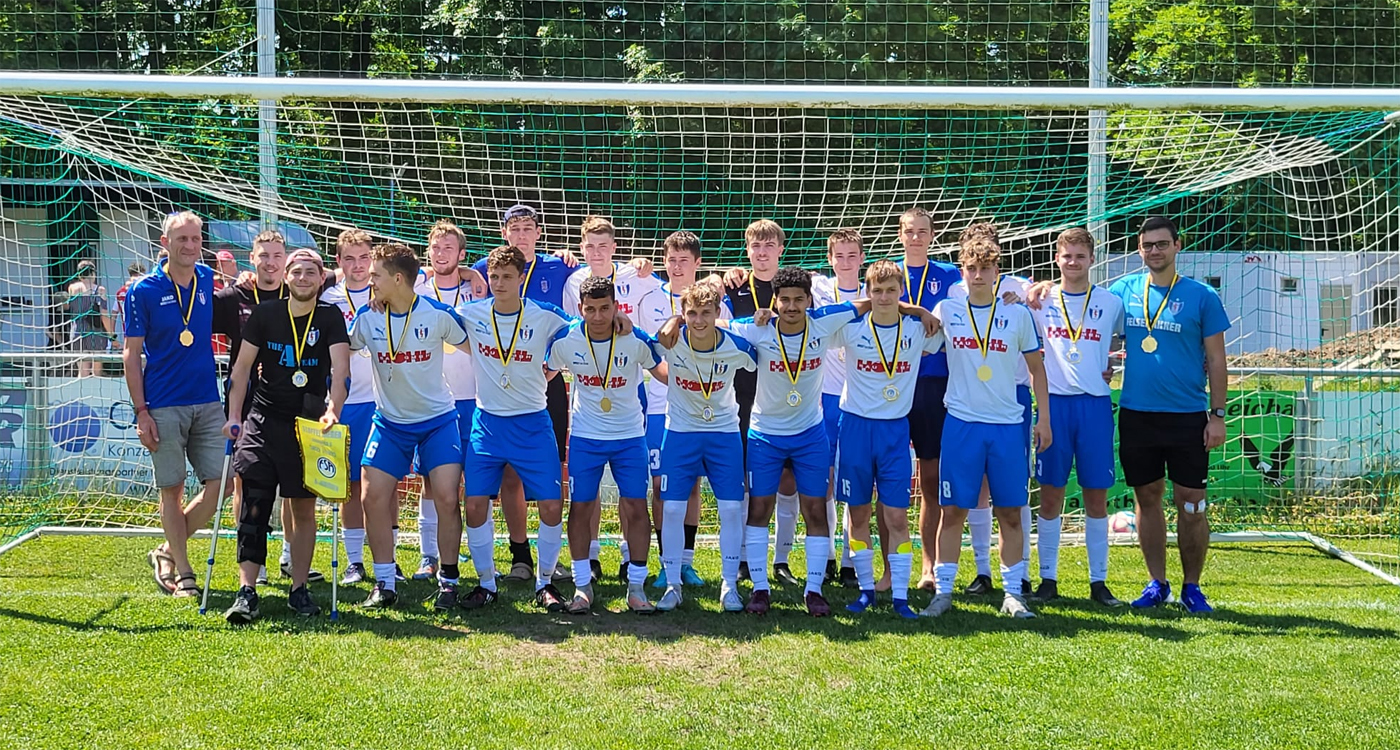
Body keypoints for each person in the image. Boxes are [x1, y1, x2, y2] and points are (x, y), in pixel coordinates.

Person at [924, 238, 1051, 620]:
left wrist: (1044, 418)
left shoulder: (1017, 314)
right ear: (962, 272)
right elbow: (918, 339)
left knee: (1010, 512)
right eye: (971, 268)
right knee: (953, 511)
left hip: (1007, 425)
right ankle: (943, 593)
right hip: (961, 423)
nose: (978, 275)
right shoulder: (947, 309)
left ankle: (1013, 594)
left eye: (985, 268)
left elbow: (1037, 369)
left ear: (997, 272)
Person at [221, 249, 350, 623]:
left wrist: (333, 409)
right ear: (286, 277)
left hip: (307, 425)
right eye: (297, 272)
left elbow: (341, 371)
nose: (303, 278)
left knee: (303, 509)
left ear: (321, 278)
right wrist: (234, 416)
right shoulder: (266, 314)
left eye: (311, 272)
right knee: (254, 504)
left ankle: (299, 589)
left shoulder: (329, 317)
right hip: (263, 421)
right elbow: (241, 369)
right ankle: (247, 592)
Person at [1110, 216, 1229, 612]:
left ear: (1178, 246)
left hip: (1187, 415)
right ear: (1139, 249)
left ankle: (1192, 587)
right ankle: (1157, 584)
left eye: (1162, 243)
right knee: (1147, 498)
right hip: (1137, 414)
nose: (1155, 251)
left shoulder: (1202, 296)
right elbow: (1086, 312)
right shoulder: (1123, 291)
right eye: (1148, 245)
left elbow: (1217, 359)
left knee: (1191, 503)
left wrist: (1217, 415)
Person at [727, 267, 862, 616]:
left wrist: (916, 310)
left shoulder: (822, 322)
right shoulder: (757, 327)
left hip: (809, 435)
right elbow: (712, 325)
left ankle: (813, 590)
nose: (791, 306)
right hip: (765, 435)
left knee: (815, 509)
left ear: (809, 300)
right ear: (774, 301)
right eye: (784, 299)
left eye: (798, 300)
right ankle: (760, 589)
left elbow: (869, 303)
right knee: (759, 509)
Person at [456, 245, 580, 612]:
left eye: (507, 277)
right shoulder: (472, 313)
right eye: (493, 277)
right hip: (488, 424)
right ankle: (486, 584)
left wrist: (553, 364)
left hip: (532, 423)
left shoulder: (543, 315)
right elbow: (431, 311)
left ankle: (545, 582)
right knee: (474, 504)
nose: (499, 283)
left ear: (521, 278)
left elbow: (581, 327)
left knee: (551, 504)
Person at [347, 242, 469, 609]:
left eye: (376, 276)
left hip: (437, 421)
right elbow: (341, 352)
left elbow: (477, 347)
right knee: (371, 497)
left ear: (398, 279)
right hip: (390, 423)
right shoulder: (367, 317)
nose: (370, 281)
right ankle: (384, 582)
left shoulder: (437, 314)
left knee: (446, 497)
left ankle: (448, 582)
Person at [828, 260, 945, 618]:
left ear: (901, 292)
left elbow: (948, 336)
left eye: (891, 290)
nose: (883, 297)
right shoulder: (851, 327)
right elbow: (818, 323)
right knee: (858, 513)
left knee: (896, 517)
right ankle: (866, 590)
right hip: (855, 428)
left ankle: (900, 596)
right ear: (867, 292)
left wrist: (920, 312)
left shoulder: (919, 328)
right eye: (876, 291)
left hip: (895, 431)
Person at [123, 211, 230, 598]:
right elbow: (131, 355)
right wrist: (142, 412)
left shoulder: (206, 278)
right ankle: (184, 571)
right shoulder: (143, 289)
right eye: (181, 239)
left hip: (208, 400)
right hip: (163, 404)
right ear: (164, 243)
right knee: (173, 489)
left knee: (225, 482)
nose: (189, 245)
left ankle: (167, 549)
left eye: (195, 238)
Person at [546, 275, 667, 613]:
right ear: (580, 309)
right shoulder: (567, 339)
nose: (598, 316)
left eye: (604, 308)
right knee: (581, 507)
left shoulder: (633, 337)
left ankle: (636, 588)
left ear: (616, 306)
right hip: (586, 437)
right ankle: (582, 586)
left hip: (629, 437)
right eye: (590, 309)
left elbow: (663, 370)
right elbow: (544, 373)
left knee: (636, 507)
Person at [212, 231, 324, 586]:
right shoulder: (235, 296)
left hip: (293, 403)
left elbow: (338, 273)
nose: (270, 263)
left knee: (294, 485)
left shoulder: (299, 289)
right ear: (252, 259)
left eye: (277, 256)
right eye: (263, 256)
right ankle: (253, 564)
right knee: (246, 484)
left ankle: (290, 556)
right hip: (246, 401)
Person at [1027, 227, 1125, 607]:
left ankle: (1099, 582)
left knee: (1096, 497)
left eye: (1080, 256)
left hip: (1095, 406)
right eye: (1066, 256)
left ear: (1092, 259)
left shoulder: (1111, 302)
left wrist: (1110, 366)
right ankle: (1047, 579)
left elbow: (1124, 340)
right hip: (1054, 406)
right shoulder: (1040, 300)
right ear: (1056, 258)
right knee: (1051, 494)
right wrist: (1033, 288)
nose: (1073, 262)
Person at [562, 216, 661, 580]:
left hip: (630, 401)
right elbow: (564, 331)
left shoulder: (636, 275)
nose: (596, 252)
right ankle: (587, 567)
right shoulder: (573, 283)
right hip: (587, 413)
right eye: (590, 246)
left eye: (603, 245)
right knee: (584, 500)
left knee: (633, 498)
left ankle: (631, 566)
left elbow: (672, 290)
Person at [652, 282, 757, 611]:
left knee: (731, 509)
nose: (699, 320)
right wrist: (670, 321)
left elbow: (762, 354)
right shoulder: (671, 340)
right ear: (683, 314)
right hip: (680, 432)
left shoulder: (737, 346)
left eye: (706, 313)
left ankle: (729, 586)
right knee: (671, 509)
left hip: (723, 434)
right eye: (692, 313)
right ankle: (673, 585)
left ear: (717, 313)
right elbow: (646, 346)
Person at [945, 222, 1035, 598]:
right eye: (972, 262)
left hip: (1010, 401)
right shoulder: (951, 298)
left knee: (1012, 497)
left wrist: (1036, 293)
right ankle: (976, 573)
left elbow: (1037, 357)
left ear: (998, 262)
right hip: (966, 408)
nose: (978, 272)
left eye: (987, 260)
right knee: (968, 496)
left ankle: (1019, 578)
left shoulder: (1020, 293)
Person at [635, 231, 715, 589]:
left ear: (698, 263)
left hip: (698, 407)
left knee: (692, 484)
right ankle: (667, 561)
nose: (677, 267)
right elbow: (646, 351)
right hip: (657, 406)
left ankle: (686, 562)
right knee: (660, 486)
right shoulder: (649, 298)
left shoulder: (714, 300)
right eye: (671, 260)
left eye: (684, 260)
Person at [895, 207, 964, 593]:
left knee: (931, 479)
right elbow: (875, 302)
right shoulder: (889, 273)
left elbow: (980, 295)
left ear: (932, 235)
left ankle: (929, 566)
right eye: (910, 231)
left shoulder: (950, 276)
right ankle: (890, 569)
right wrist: (918, 310)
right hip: (891, 384)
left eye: (923, 231)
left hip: (934, 385)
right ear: (900, 235)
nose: (916, 238)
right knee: (889, 482)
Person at [410, 219, 481, 581]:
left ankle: (478, 555)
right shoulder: (417, 287)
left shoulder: (477, 288)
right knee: (430, 481)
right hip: (432, 401)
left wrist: (472, 274)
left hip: (473, 398)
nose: (441, 254)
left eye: (448, 248)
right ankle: (428, 556)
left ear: (462, 254)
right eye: (436, 248)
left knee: (475, 482)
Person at [320, 229, 379, 585]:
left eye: (364, 258)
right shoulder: (328, 298)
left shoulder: (388, 290)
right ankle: (355, 561)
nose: (358, 266)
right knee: (351, 486)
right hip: (346, 402)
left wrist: (468, 272)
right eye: (350, 259)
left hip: (386, 402)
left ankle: (387, 558)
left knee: (384, 485)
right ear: (338, 261)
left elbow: (428, 271)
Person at [810, 229, 865, 588]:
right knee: (825, 480)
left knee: (855, 481)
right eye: (838, 255)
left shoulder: (874, 291)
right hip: (825, 397)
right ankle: (828, 555)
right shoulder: (817, 288)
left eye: (851, 255)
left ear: (862, 258)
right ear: (829, 259)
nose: (845, 262)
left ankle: (851, 560)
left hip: (861, 401)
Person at [67, 260, 114, 377]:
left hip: (77, 331)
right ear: (93, 273)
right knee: (97, 371)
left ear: (79, 274)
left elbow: (69, 306)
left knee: (82, 371)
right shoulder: (100, 290)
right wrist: (113, 336)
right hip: (96, 332)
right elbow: (104, 315)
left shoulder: (72, 288)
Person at [115, 262, 146, 345]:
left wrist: (112, 336)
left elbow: (113, 313)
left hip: (128, 331)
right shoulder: (145, 288)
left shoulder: (120, 292)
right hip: (145, 331)